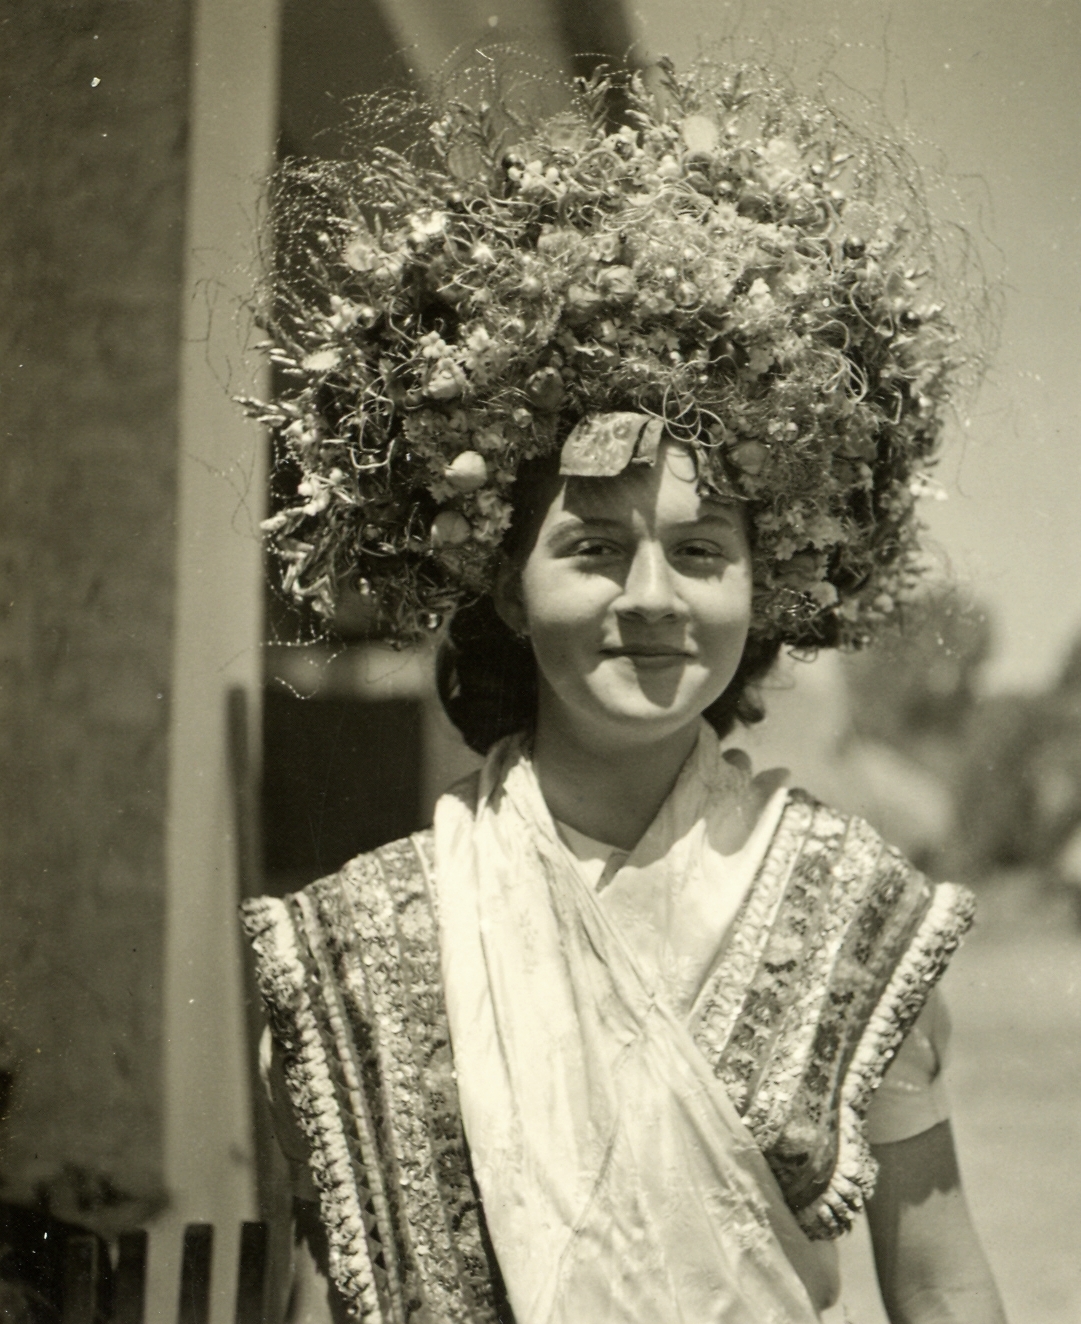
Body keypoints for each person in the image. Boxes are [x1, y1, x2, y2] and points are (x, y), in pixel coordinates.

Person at [241, 59, 1007, 1324]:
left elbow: (940, 1279)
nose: (652, 597)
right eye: (593, 546)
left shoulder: (849, 917)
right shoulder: (368, 948)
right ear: (499, 579)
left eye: (703, 553)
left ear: (769, 586)